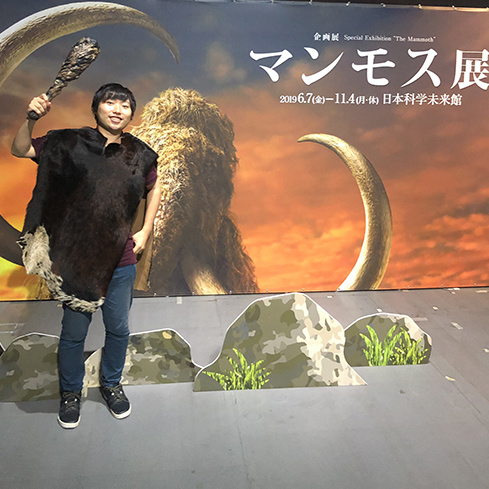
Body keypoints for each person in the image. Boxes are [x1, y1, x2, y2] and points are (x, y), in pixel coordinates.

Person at [11, 83, 161, 429]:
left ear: (131, 113)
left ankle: (111, 384)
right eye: (110, 102)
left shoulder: (140, 153)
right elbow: (20, 149)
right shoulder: (67, 142)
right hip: (77, 259)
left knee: (118, 328)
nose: (117, 109)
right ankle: (70, 392)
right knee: (74, 333)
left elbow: (155, 187)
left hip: (121, 260)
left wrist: (145, 230)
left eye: (125, 105)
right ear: (96, 109)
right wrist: (30, 119)